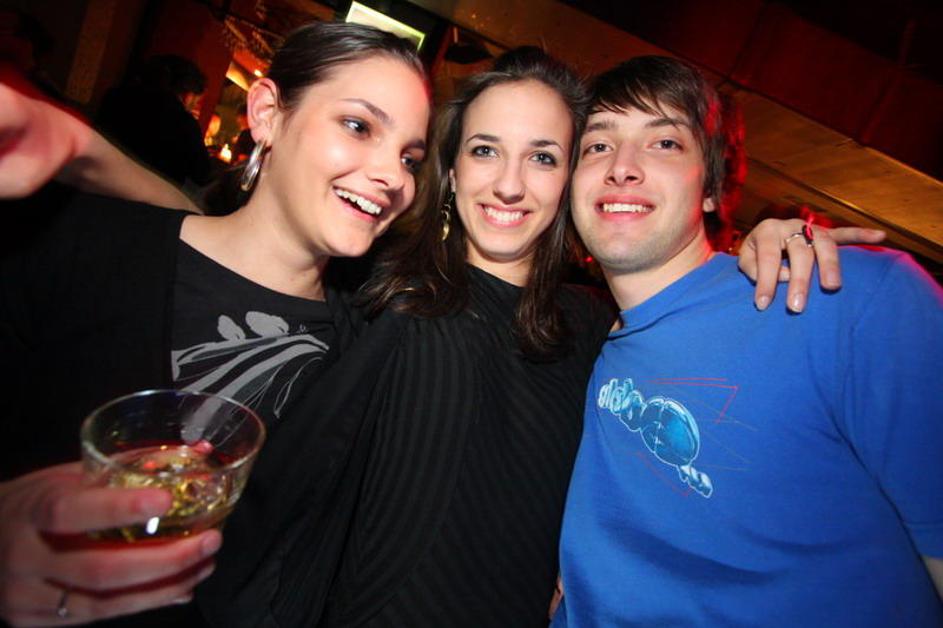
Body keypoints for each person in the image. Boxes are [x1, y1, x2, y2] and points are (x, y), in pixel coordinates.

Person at [1, 40, 877, 626]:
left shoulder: (599, 330)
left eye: (544, 156)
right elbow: (233, 243)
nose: (510, 184)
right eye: (484, 150)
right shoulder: (375, 294)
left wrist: (753, 249)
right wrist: (80, 151)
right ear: (449, 172)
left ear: (571, 177)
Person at [0, 21, 430, 626]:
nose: (394, 176)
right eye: (358, 126)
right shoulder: (85, 247)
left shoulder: (368, 348)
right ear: (267, 114)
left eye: (410, 158)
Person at [554, 55, 943, 626]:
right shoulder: (578, 336)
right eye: (597, 145)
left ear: (711, 187)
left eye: (664, 143)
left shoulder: (845, 300)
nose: (622, 167)